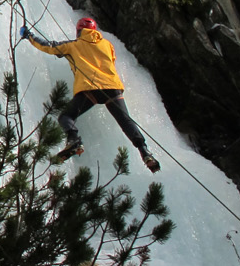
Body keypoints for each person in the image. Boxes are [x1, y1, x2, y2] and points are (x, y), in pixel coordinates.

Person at [19, 16, 161, 172]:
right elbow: (110, 61)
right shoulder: (107, 44)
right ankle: (145, 151)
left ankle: (74, 141)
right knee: (126, 121)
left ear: (79, 31)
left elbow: (49, 46)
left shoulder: (73, 45)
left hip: (90, 89)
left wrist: (29, 36)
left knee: (66, 117)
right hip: (112, 88)